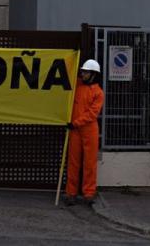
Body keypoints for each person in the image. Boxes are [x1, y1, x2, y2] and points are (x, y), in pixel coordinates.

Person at [64, 58, 105, 206]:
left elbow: (92, 114)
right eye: (83, 71)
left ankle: (89, 193)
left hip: (87, 129)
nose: (83, 73)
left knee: (89, 163)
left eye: (86, 71)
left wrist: (75, 123)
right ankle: (71, 193)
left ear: (93, 74)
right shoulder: (77, 85)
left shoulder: (98, 93)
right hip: (76, 128)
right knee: (73, 163)